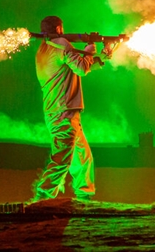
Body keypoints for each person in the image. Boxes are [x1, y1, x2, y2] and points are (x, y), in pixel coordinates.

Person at [32, 15, 107, 202]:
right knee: (62, 157)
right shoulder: (61, 44)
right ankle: (43, 197)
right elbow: (81, 68)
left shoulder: (44, 49)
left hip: (60, 112)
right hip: (64, 112)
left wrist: (100, 58)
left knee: (82, 157)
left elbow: (77, 67)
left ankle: (84, 196)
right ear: (59, 29)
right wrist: (89, 51)